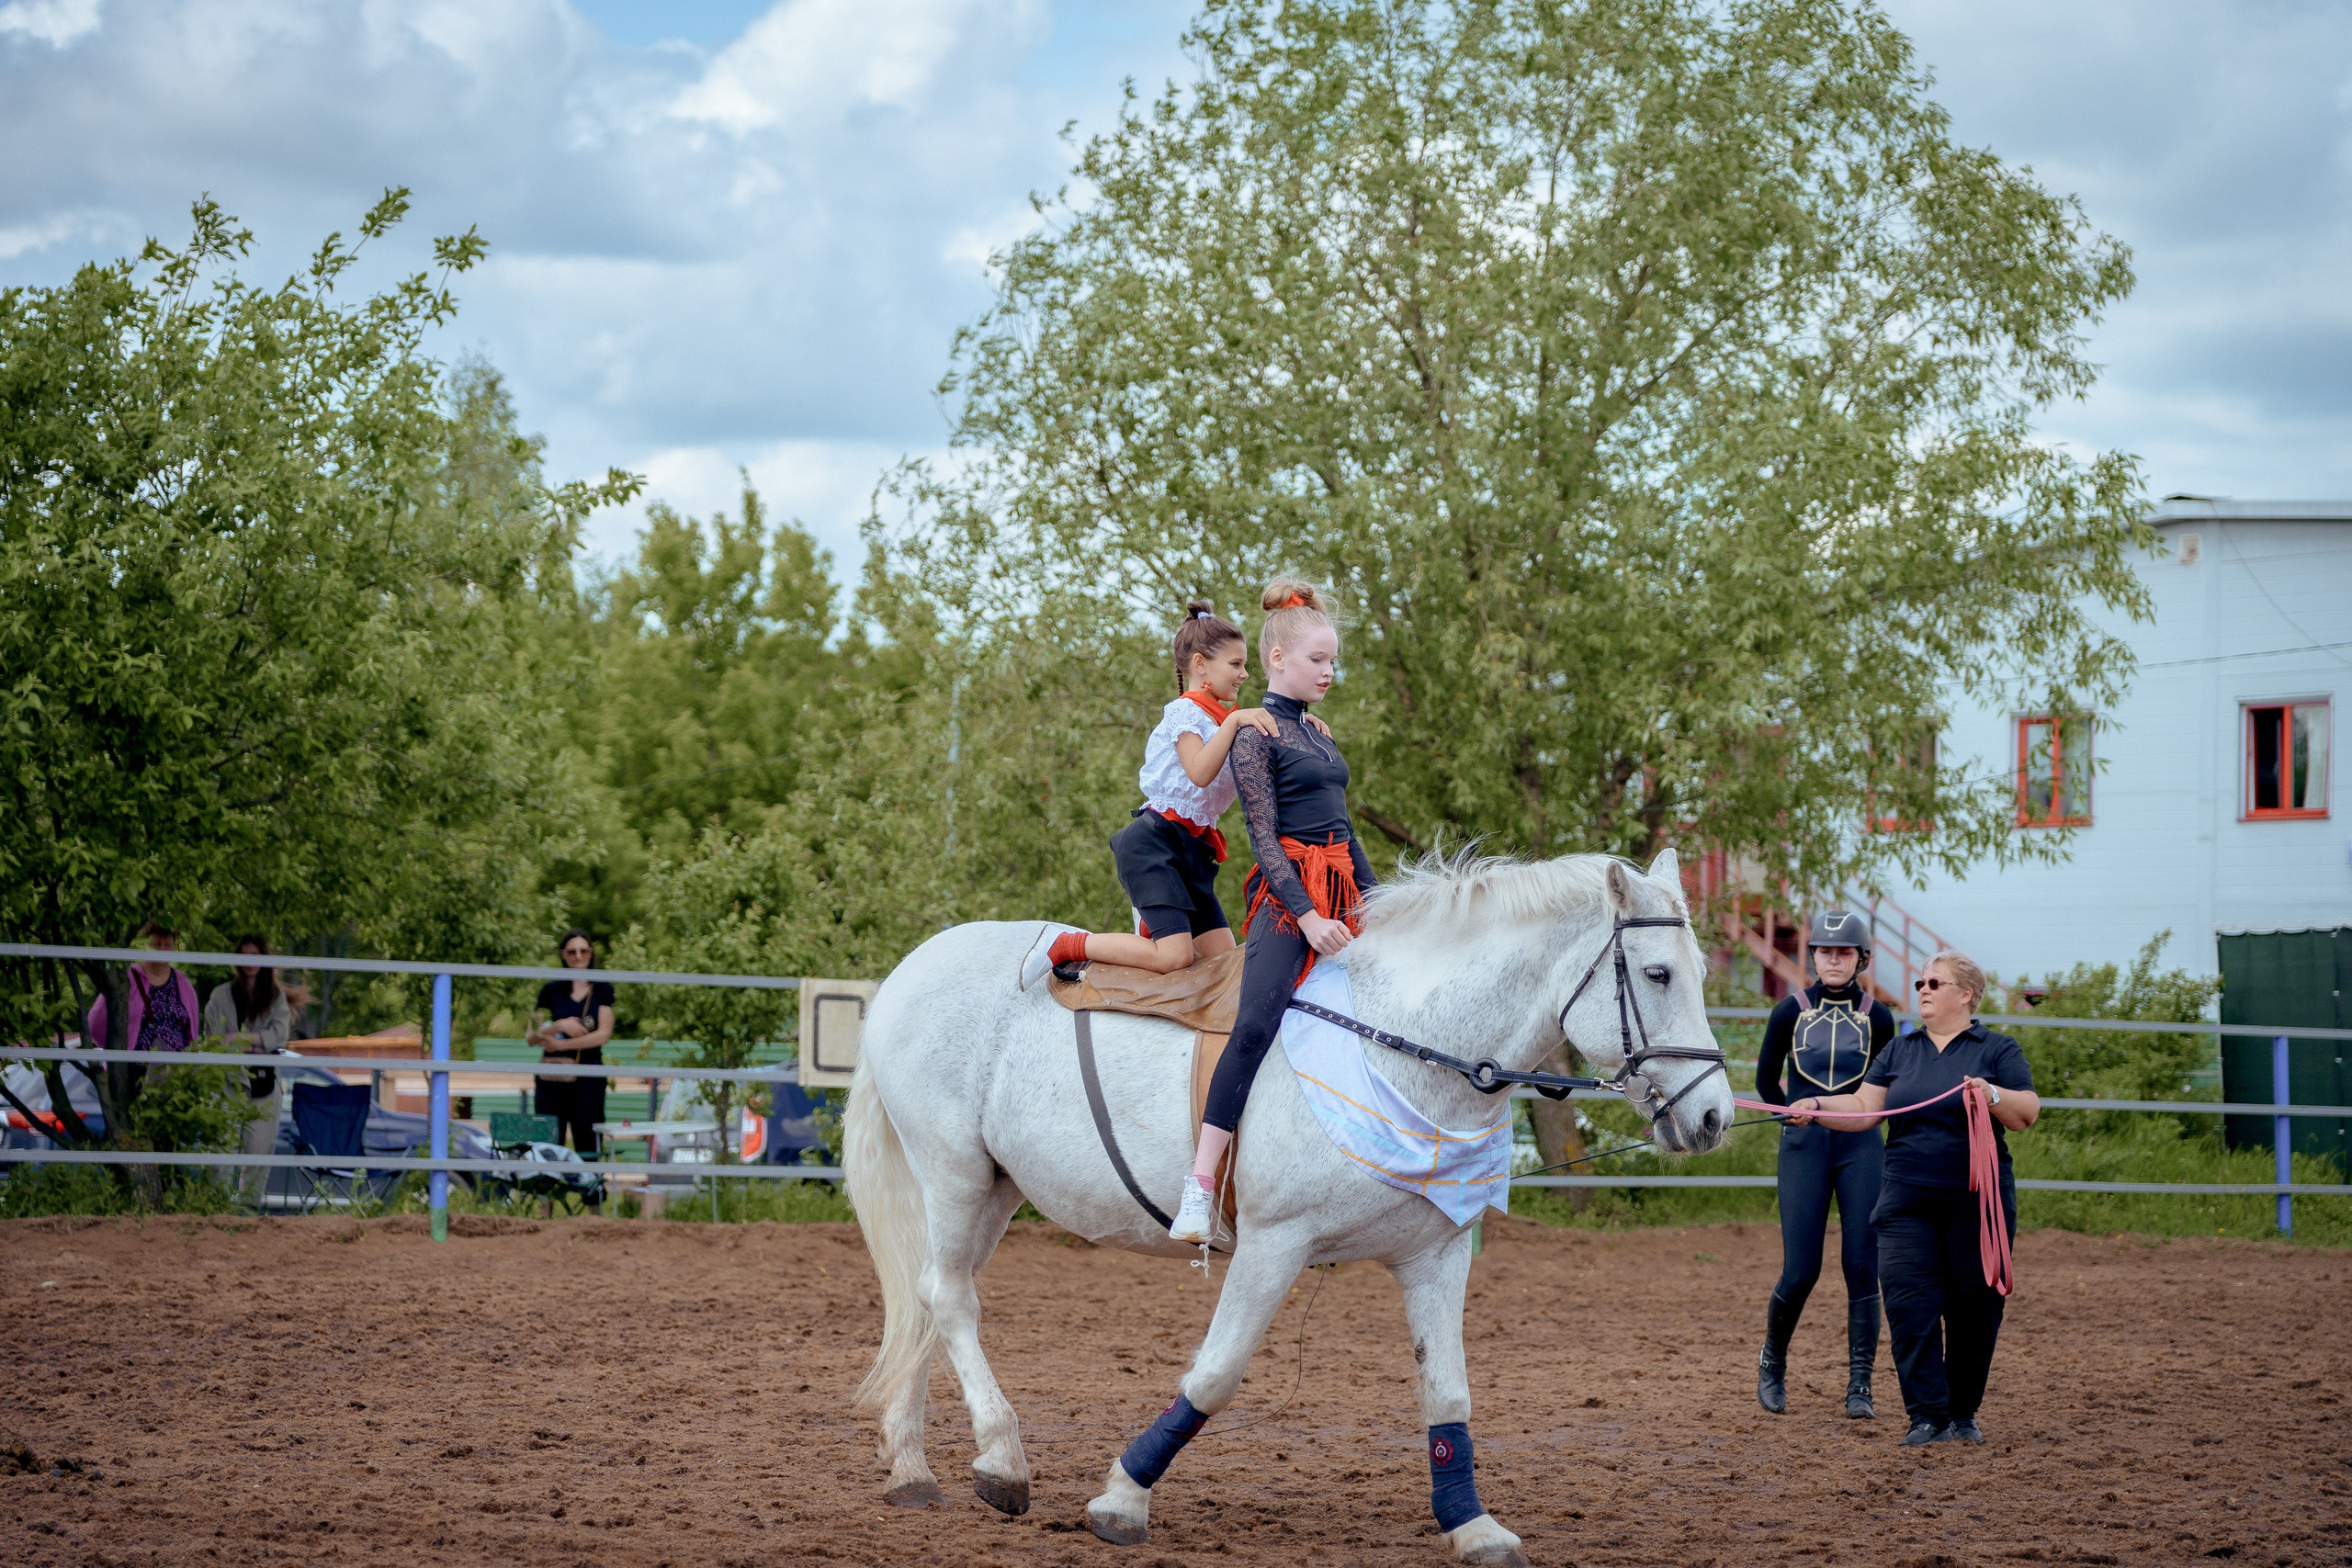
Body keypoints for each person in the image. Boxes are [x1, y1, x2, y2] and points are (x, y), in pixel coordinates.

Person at [1164, 579, 1375, 1246]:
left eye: (1334, 660)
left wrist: (1379, 903)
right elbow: (1264, 837)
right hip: (1289, 904)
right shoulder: (1256, 733)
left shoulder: (1320, 735)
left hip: (1341, 892)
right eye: (1318, 659)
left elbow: (1344, 830)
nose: (1329, 671)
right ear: (1278, 658)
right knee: (1254, 1025)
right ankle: (1198, 1188)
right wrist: (1309, 917)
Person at [1785, 950, 2040, 1447]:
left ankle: (1961, 1414)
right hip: (1905, 1203)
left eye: (1934, 983)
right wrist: (1815, 1106)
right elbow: (1863, 1108)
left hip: (1977, 1203)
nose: (1922, 989)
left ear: (1965, 994)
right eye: (1921, 982)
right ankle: (1926, 1416)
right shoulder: (1900, 1051)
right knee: (1909, 1307)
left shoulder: (1996, 1050)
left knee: (1974, 1310)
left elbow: (2026, 1112)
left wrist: (1991, 1095)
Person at [1021, 600, 1290, 987]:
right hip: (1155, 843)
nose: (1245, 674)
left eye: (1245, 664)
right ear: (1200, 665)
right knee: (1175, 957)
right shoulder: (1186, 713)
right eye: (1236, 664)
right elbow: (1198, 772)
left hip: (1193, 851)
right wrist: (1235, 720)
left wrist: (1299, 726)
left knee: (1224, 964)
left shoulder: (1224, 721)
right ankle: (1067, 943)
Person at [1751, 909, 1895, 1418]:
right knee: (1801, 1270)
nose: (1833, 960)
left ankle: (1861, 1386)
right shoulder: (1787, 1012)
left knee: (1862, 1266)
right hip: (1805, 1149)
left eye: (1844, 952)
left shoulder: (1880, 1018)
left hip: (1861, 1149)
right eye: (1825, 951)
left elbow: (1885, 1089)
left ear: (1861, 959)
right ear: (1812, 956)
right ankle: (1773, 1362)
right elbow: (1768, 1082)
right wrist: (1787, 1119)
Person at [201, 936, 300, 1209]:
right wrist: (256, 1042)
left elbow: (279, 1035)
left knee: (258, 1152)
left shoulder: (276, 996)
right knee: (221, 1151)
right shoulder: (221, 995)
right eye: (243, 955)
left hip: (265, 1086)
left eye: (255, 955)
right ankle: (216, 1210)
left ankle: (248, 1212)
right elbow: (213, 1038)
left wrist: (237, 1039)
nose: (249, 962)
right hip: (227, 1083)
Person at [529, 929, 615, 1156]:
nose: (578, 955)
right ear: (563, 955)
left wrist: (561, 1045)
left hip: (588, 1078)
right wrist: (560, 1025)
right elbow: (531, 1035)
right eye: (572, 951)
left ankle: (591, 1191)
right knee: (548, 1145)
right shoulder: (551, 990)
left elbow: (603, 1034)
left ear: (590, 953)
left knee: (588, 1141)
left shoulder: (602, 989)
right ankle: (550, 1191)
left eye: (583, 950)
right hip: (551, 1079)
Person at [86, 920, 200, 1054]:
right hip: (135, 1069)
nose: (163, 950)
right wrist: (118, 1053)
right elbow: (94, 1025)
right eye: (157, 944)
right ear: (145, 945)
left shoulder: (183, 984)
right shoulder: (126, 980)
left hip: (176, 1070)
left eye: (168, 945)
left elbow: (192, 1035)